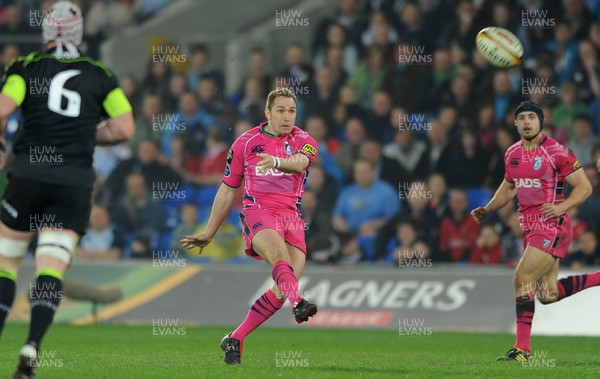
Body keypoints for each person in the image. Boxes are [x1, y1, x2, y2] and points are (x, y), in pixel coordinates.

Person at [0, 2, 134, 377]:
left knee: (7, 263)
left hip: (27, 176)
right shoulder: (100, 75)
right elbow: (124, 129)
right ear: (79, 32)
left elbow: (1, 110)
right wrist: (85, 134)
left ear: (47, 31)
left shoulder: (25, 67)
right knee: (51, 267)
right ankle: (31, 347)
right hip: (73, 183)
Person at [181, 87, 318, 365]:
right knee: (281, 262)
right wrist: (209, 232)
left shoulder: (305, 140)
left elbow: (300, 162)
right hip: (259, 211)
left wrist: (277, 161)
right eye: (280, 110)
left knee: (283, 287)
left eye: (291, 111)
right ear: (267, 113)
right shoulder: (245, 143)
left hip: (291, 216)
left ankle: (235, 337)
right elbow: (228, 189)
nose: (287, 116)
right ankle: (299, 303)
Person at [471, 101, 598, 362]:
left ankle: (522, 350)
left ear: (541, 122)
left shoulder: (557, 151)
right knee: (547, 295)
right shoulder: (512, 154)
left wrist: (561, 206)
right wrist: (488, 209)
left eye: (532, 117)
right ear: (515, 124)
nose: (527, 121)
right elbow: (508, 188)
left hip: (552, 226)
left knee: (521, 278)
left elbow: (585, 188)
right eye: (522, 118)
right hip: (529, 228)